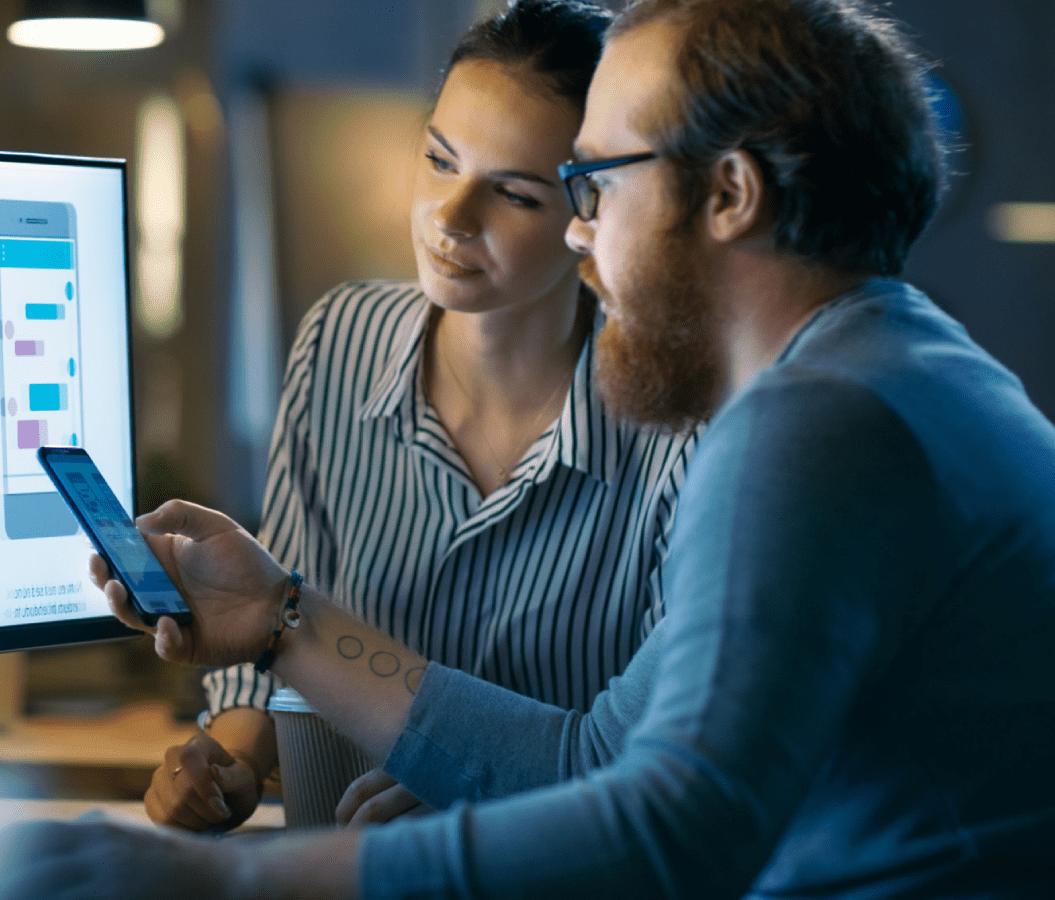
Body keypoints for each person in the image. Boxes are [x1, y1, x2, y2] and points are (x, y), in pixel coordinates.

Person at [0, 0, 1055, 897]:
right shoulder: (904, 373)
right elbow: (595, 764)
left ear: (728, 194)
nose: (580, 230)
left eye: (590, 183)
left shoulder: (816, 427)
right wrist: (282, 619)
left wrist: (225, 887)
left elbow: (668, 839)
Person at [152, 0, 698, 833]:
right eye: (441, 160)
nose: (450, 218)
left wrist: (495, 787)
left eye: (511, 194)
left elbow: (670, 759)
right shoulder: (339, 341)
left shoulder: (675, 424)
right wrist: (226, 761)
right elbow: (275, 637)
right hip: (332, 869)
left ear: (593, 216)